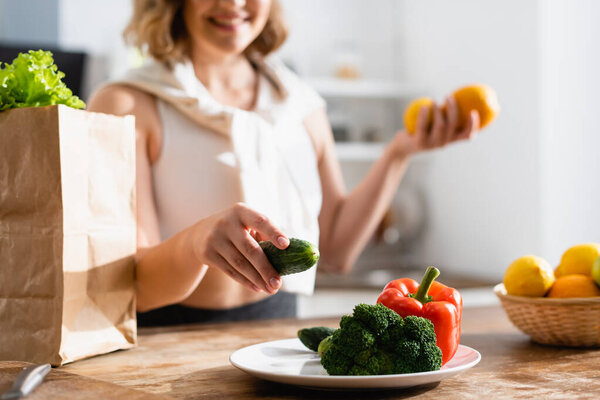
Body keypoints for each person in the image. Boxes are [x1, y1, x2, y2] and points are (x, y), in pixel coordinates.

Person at [88, 0, 479, 326]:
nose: (234, 3)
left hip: (279, 333)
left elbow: (337, 251)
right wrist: (195, 241)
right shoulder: (125, 104)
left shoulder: (300, 104)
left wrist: (399, 153)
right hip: (170, 337)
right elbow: (130, 286)